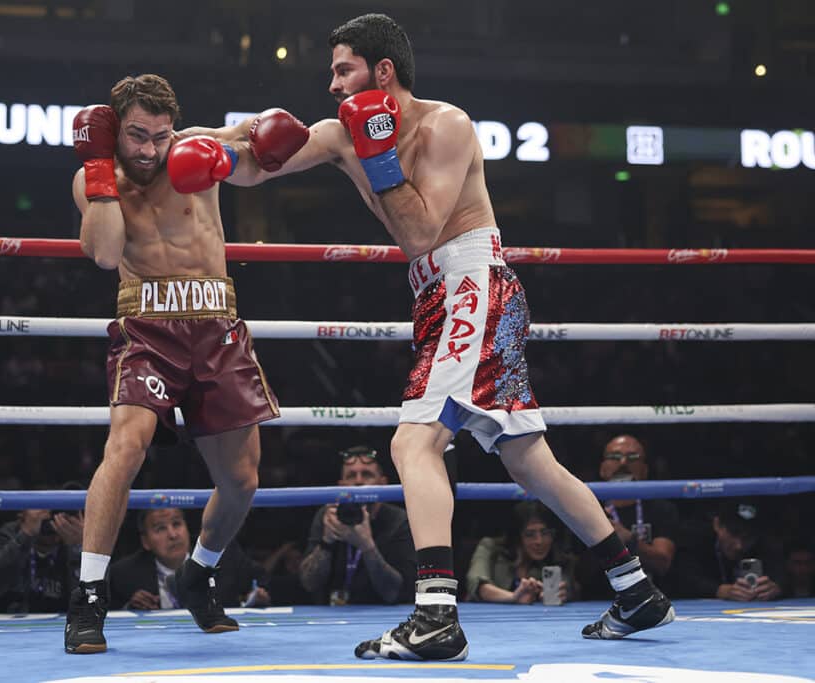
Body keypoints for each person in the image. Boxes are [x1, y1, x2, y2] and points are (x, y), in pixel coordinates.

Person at [218, 13, 675, 659]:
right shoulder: (340, 133)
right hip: (440, 295)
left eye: (341, 69)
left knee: (414, 442)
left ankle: (435, 614)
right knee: (527, 460)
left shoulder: (447, 125)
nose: (330, 85)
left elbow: (420, 232)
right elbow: (254, 162)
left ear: (382, 72)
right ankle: (635, 590)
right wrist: (196, 148)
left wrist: (378, 155)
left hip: (472, 282)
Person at [65, 73, 308, 654]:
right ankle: (89, 598)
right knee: (125, 449)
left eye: (160, 135)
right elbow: (102, 254)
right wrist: (102, 168)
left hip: (216, 324)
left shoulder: (196, 144)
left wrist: (254, 138)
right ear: (116, 128)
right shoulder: (95, 176)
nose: (149, 149)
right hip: (147, 327)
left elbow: (263, 155)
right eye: (136, 136)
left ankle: (199, 573)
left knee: (242, 480)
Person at [298, 445, 415, 605]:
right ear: (341, 485)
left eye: (367, 475)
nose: (359, 481)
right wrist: (326, 542)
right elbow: (309, 584)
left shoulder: (399, 520)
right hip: (332, 613)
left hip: (382, 613)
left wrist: (368, 547)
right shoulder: (328, 515)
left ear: (383, 484)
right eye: (351, 476)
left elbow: (396, 593)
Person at [577, 435, 678, 598]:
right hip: (597, 600)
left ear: (644, 470)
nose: (623, 463)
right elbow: (580, 574)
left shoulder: (661, 509)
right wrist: (603, 538)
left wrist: (629, 539)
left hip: (655, 599)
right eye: (615, 457)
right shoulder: (587, 508)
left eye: (632, 457)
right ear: (603, 468)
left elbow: (663, 563)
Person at [109, 507, 269, 610]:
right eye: (160, 529)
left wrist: (255, 597)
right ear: (145, 541)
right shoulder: (124, 574)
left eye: (177, 524)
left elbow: (261, 582)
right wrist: (130, 607)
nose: (172, 535)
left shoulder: (222, 554)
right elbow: (109, 614)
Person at [465, 501, 576, 604]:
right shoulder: (490, 547)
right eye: (529, 534)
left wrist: (560, 594)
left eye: (545, 533)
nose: (539, 541)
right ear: (517, 536)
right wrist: (513, 597)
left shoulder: (559, 558)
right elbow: (477, 585)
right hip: (484, 619)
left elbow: (568, 587)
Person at [0, 505, 83, 613]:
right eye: (42, 508)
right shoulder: (5, 536)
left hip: (64, 620)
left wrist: (79, 547)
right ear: (22, 514)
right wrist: (25, 535)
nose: (49, 516)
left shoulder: (77, 539)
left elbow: (89, 597)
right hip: (8, 620)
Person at [673, 500, 784, 601]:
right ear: (717, 525)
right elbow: (681, 579)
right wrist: (718, 590)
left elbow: (784, 575)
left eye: (748, 537)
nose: (739, 546)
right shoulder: (695, 539)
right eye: (734, 533)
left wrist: (776, 587)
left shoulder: (765, 545)